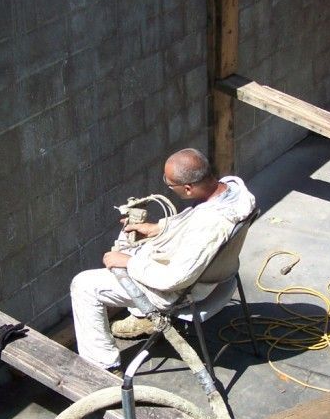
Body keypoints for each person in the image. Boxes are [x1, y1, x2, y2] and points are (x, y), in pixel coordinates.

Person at [70, 148, 256, 371]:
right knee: (135, 246)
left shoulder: (212, 224)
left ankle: (103, 366)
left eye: (170, 185)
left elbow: (175, 279)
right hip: (216, 273)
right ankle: (142, 317)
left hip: (179, 292)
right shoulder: (233, 190)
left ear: (188, 188)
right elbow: (193, 219)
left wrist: (128, 262)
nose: (167, 187)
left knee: (84, 285)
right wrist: (156, 228)